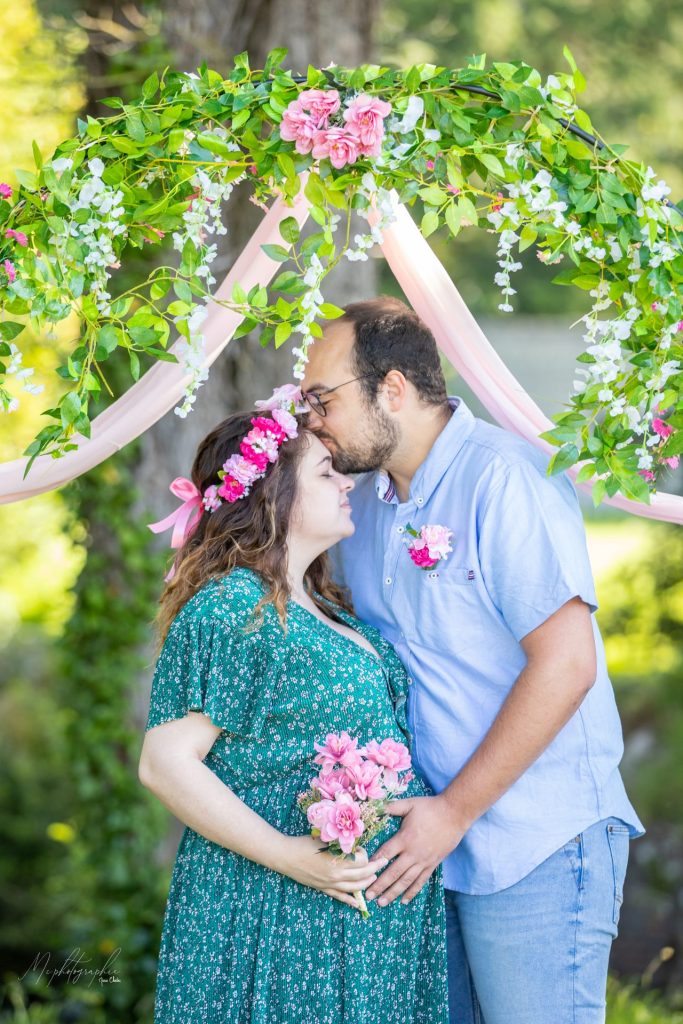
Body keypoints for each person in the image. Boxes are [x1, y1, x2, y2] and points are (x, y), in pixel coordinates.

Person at [301, 296, 645, 1024]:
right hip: (424, 848)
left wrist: (452, 813)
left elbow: (566, 665)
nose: (311, 419)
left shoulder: (503, 480)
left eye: (321, 398)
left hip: (534, 840)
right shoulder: (355, 504)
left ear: (391, 388)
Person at [138, 393, 448, 1024]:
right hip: (276, 911)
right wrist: (291, 855)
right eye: (326, 473)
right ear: (271, 494)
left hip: (351, 921)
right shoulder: (234, 606)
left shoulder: (319, 603)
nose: (347, 483)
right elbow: (165, 762)